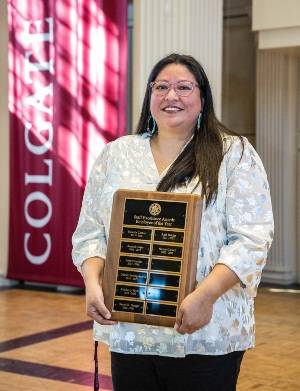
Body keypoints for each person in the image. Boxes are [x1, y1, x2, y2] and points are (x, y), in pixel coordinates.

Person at [72, 53, 274, 391]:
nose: (171, 96)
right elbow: (90, 232)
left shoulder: (233, 154)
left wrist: (205, 296)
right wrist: (93, 283)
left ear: (202, 98)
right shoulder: (117, 154)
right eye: (161, 86)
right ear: (150, 95)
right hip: (130, 329)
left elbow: (251, 239)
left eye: (184, 87)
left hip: (205, 330)